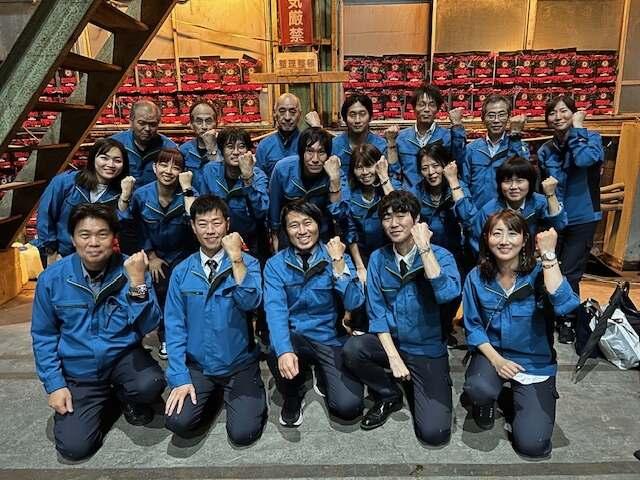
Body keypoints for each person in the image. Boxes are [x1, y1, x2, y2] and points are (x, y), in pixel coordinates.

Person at [31, 203, 165, 460]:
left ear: (114, 238)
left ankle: (126, 396)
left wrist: (138, 283)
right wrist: (55, 385)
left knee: (151, 383)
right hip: (79, 370)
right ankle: (104, 399)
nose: (93, 242)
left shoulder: (131, 268)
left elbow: (149, 324)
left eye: (102, 234)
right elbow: (44, 336)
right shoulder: (52, 279)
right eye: (85, 235)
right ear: (73, 238)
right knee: (74, 448)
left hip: (122, 358)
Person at [343, 190, 460, 445]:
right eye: (387, 217)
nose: (394, 223)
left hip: (426, 347)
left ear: (416, 219)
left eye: (401, 215)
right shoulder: (378, 258)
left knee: (435, 434)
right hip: (392, 341)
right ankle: (388, 394)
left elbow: (447, 294)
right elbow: (377, 313)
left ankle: (432, 380)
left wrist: (425, 249)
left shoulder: (441, 256)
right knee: (353, 349)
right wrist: (394, 358)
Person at [462, 211, 579, 458]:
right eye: (497, 233)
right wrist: (497, 361)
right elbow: (473, 327)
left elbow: (565, 305)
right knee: (478, 388)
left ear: (525, 239)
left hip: (533, 361)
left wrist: (548, 255)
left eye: (512, 233)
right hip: (493, 355)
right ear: (487, 238)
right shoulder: (476, 277)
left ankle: (515, 398)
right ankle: (488, 399)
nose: (504, 241)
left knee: (533, 446)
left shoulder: (540, 273)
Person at [163, 195, 267, 446]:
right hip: (199, 366)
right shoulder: (181, 271)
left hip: (239, 364)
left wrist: (236, 259)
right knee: (178, 421)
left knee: (243, 434)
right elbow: (174, 327)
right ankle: (209, 397)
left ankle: (244, 394)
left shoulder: (248, 263)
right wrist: (179, 377)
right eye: (202, 224)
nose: (210, 230)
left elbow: (251, 301)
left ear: (227, 224)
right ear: (193, 227)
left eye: (216, 223)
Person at [263, 200, 365, 428]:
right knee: (275, 349)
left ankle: (321, 370)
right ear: (286, 230)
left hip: (329, 338)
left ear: (318, 224)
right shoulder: (275, 265)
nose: (302, 231)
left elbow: (354, 302)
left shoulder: (336, 256)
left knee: (348, 407)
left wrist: (338, 262)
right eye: (294, 225)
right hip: (295, 337)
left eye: (307, 223)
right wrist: (284, 350)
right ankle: (293, 392)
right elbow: (275, 311)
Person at [537, 95, 604, 343]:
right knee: (549, 266)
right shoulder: (545, 150)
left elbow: (584, 160)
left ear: (574, 113)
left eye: (563, 111)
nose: (558, 117)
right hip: (554, 216)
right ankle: (549, 315)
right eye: (552, 113)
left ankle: (568, 320)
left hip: (582, 217)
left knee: (570, 272)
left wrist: (577, 128)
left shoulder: (591, 139)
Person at [119, 148, 197, 359]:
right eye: (163, 165)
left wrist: (187, 188)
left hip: (183, 253)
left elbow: (195, 221)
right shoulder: (141, 195)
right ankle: (165, 336)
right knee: (158, 284)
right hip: (153, 253)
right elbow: (133, 227)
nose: (169, 171)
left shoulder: (188, 194)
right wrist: (151, 257)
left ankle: (186, 335)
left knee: (183, 290)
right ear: (154, 168)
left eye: (176, 167)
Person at [409, 143, 470, 346]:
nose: (431, 172)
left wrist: (453, 182)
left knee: (454, 293)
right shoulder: (416, 191)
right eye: (425, 168)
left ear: (445, 165)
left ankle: (444, 327)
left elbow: (468, 218)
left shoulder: (458, 187)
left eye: (436, 166)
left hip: (455, 251)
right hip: (426, 252)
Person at [36, 138, 131, 265]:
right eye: (104, 158)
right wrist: (51, 252)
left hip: (97, 259)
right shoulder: (66, 181)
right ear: (93, 159)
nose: (111, 164)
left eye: (117, 160)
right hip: (60, 255)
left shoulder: (120, 193)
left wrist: (125, 197)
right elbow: (45, 215)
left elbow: (119, 229)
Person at [450, 157, 566, 254]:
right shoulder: (489, 211)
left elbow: (559, 225)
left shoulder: (539, 202)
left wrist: (551, 195)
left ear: (530, 182)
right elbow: (477, 242)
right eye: (507, 181)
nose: (513, 187)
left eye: (520, 181)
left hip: (531, 259)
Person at [268, 127, 348, 252]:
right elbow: (274, 206)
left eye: (321, 152)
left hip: (322, 231)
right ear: (301, 153)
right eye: (309, 151)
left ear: (328, 155)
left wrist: (334, 181)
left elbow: (340, 215)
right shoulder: (283, 169)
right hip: (290, 231)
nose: (315, 159)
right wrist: (275, 236)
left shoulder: (336, 173)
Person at [199, 127, 268, 256]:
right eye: (230, 147)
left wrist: (248, 178)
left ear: (248, 151)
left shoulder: (258, 175)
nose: (236, 152)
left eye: (241, 147)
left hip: (250, 238)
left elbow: (261, 212)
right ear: (221, 150)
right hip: (216, 236)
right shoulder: (210, 170)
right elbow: (202, 207)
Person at [339, 144, 397, 286]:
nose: (365, 172)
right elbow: (350, 232)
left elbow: (399, 209)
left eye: (369, 165)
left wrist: (384, 177)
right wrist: (360, 267)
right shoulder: (349, 194)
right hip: (361, 255)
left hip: (391, 252)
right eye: (359, 167)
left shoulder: (390, 185)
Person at [460, 94, 529, 208]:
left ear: (508, 117)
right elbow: (463, 183)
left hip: (507, 214)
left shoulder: (519, 146)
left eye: (501, 115)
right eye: (491, 116)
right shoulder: (471, 149)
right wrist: (470, 212)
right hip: (478, 213)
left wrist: (515, 137)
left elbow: (522, 175)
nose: (496, 120)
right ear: (483, 119)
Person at [389, 84, 466, 187]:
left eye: (431, 105)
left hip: (438, 195)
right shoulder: (402, 138)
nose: (426, 109)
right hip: (409, 195)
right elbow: (394, 173)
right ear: (414, 108)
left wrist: (457, 127)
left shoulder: (447, 137)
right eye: (421, 104)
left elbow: (459, 165)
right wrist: (399, 193)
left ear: (437, 109)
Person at [111, 100, 177, 186]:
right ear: (131, 121)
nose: (147, 129)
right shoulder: (115, 144)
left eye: (152, 124)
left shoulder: (169, 148)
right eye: (142, 123)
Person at [332, 94, 387, 176]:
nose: (357, 120)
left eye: (362, 114)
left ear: (371, 117)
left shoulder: (381, 145)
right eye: (352, 115)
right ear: (344, 118)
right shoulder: (335, 145)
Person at [255, 93, 302, 178]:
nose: (287, 117)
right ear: (275, 114)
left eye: (292, 112)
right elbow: (259, 179)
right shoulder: (264, 146)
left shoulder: (307, 143)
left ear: (300, 114)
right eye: (282, 111)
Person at [179, 101, 222, 192]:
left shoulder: (225, 148)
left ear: (216, 123)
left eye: (208, 121)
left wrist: (212, 148)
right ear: (191, 125)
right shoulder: (183, 151)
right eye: (199, 121)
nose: (204, 126)